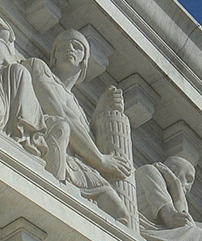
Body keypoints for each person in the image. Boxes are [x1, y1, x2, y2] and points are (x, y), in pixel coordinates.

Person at [9, 29, 132, 224]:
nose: (69, 49)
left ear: (85, 61)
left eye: (77, 47)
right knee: (62, 127)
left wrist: (100, 112)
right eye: (63, 46)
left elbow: (83, 136)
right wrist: (101, 160)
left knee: (121, 215)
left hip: (76, 164)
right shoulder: (38, 67)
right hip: (44, 140)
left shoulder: (78, 107)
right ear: (54, 55)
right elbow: (59, 112)